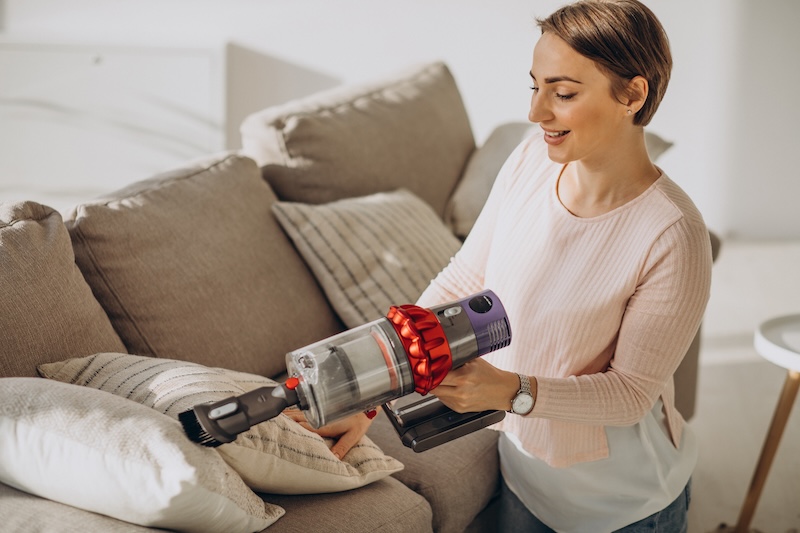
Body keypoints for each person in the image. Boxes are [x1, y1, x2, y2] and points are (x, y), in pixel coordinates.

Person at [292, 1, 712, 531]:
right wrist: (371, 391)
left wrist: (511, 391)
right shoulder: (530, 160)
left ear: (632, 94)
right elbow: (466, 279)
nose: (537, 112)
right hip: (524, 478)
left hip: (623, 507)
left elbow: (630, 394)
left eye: (563, 93)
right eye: (534, 86)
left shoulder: (673, 234)